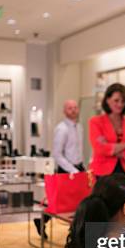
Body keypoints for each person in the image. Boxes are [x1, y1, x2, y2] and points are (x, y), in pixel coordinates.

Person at [34, 99, 84, 238]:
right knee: (60, 204)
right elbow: (57, 154)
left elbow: (77, 150)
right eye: (70, 108)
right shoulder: (61, 128)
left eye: (75, 107)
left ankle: (75, 232)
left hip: (78, 168)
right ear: (64, 111)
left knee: (79, 202)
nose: (73, 110)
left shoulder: (79, 127)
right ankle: (42, 221)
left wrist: (80, 166)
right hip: (66, 169)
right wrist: (72, 170)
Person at [89, 83, 125, 183]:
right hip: (101, 173)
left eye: (123, 101)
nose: (120, 104)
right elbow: (99, 148)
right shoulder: (96, 122)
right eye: (116, 100)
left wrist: (110, 147)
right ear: (108, 100)